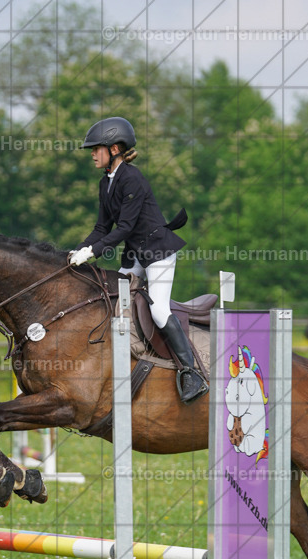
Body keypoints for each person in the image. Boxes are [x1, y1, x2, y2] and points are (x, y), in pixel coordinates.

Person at [67, 117, 208, 404]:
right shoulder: (105, 183)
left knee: (158, 310)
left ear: (115, 148)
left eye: (97, 148)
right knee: (113, 298)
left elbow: (126, 228)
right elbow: (101, 228)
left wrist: (93, 253)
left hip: (157, 252)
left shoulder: (132, 178)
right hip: (134, 254)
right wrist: (77, 251)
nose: (92, 153)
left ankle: (191, 373)